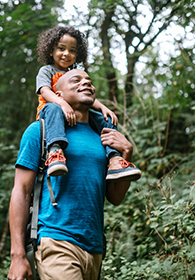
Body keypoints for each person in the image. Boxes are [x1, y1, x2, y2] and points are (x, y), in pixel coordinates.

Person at [7, 69, 141, 280]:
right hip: (56, 240)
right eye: (76, 80)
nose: (86, 83)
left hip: (95, 248)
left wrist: (126, 153)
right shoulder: (39, 131)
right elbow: (21, 191)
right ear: (58, 95)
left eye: (89, 80)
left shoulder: (104, 137)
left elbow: (115, 197)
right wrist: (17, 255)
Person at [35, 25, 141, 181]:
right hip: (52, 113)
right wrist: (62, 103)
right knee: (52, 107)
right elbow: (44, 91)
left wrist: (103, 108)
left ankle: (114, 159)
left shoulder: (75, 74)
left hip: (75, 114)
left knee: (106, 119)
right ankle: (55, 152)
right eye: (61, 49)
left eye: (72, 50)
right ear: (51, 51)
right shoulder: (47, 70)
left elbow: (86, 97)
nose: (67, 54)